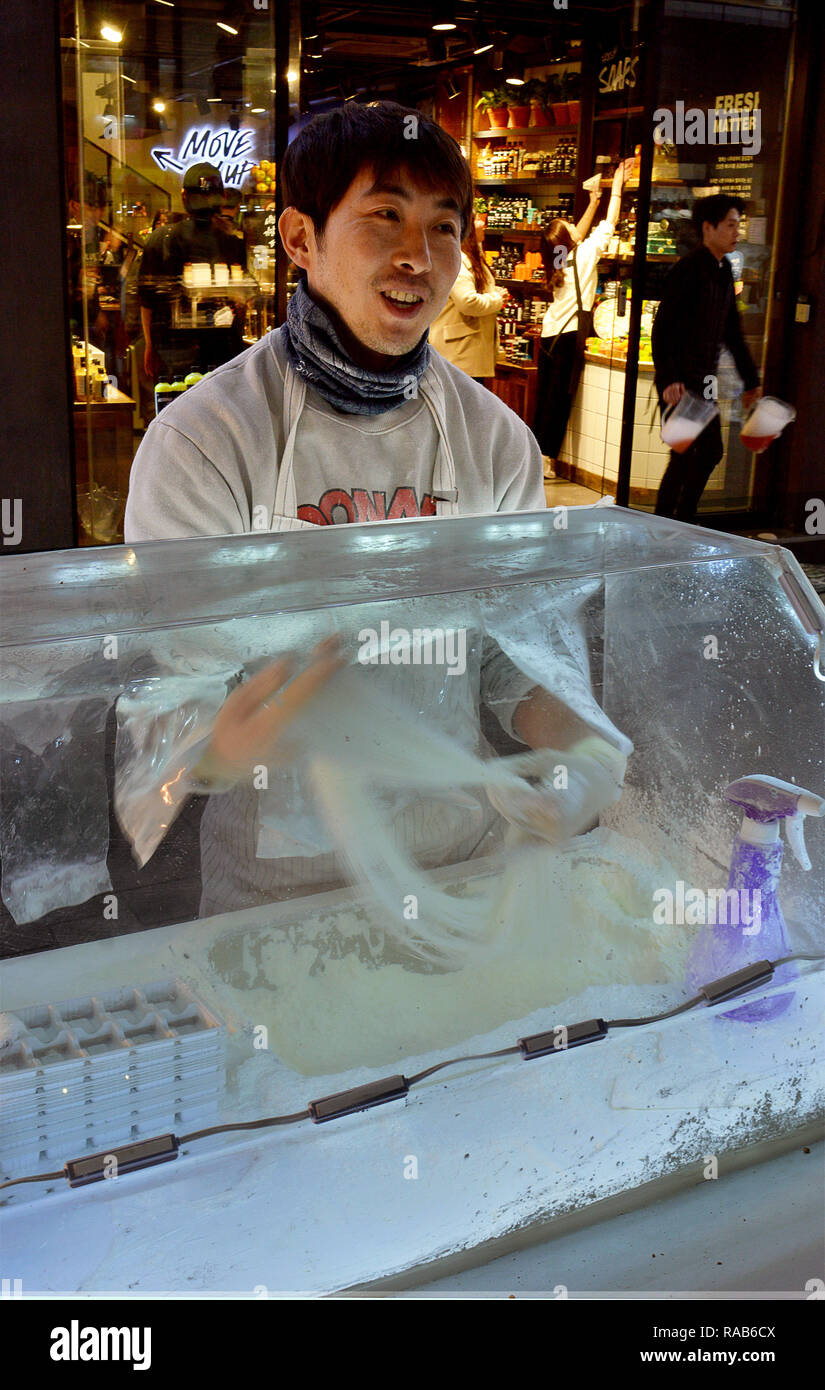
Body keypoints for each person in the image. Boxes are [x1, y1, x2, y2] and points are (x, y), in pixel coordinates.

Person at [120, 101, 629, 921]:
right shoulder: (206, 440)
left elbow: (510, 660)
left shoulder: (494, 441)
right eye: (383, 217)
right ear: (299, 239)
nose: (415, 257)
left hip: (460, 864)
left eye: (441, 228)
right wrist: (218, 748)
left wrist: (583, 748)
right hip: (278, 887)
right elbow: (169, 690)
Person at [652, 194, 761, 523]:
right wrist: (671, 379)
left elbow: (733, 332)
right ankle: (667, 522)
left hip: (704, 382)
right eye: (730, 225)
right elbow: (663, 330)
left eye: (738, 225)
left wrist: (750, 381)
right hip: (682, 383)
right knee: (686, 455)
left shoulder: (724, 270)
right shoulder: (688, 271)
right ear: (708, 227)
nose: (737, 232)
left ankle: (678, 520)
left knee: (702, 453)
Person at [533, 159, 634, 477]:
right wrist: (616, 186)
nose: (575, 227)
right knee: (558, 401)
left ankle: (536, 453)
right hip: (569, 334)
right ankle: (547, 459)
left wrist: (594, 200)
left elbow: (577, 232)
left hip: (550, 331)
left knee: (544, 397)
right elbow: (609, 224)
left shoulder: (558, 260)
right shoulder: (585, 255)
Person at [137, 162, 248, 384]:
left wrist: (150, 344)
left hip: (174, 351)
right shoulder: (233, 242)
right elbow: (241, 302)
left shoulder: (161, 239)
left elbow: (147, 301)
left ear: (184, 196)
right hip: (222, 352)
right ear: (222, 197)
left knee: (174, 408)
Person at [428, 206, 503, 383]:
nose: (483, 223)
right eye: (478, 219)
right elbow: (467, 302)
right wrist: (497, 299)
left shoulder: (472, 256)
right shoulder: (457, 259)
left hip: (468, 352)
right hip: (458, 352)